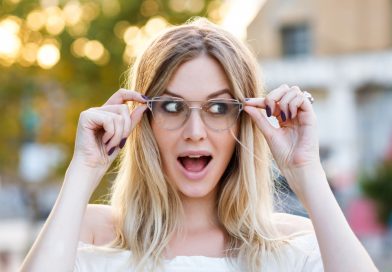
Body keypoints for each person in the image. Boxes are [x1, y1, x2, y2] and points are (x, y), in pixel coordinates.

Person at [20, 18, 378, 272]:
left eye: (219, 108)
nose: (195, 131)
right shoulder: (90, 232)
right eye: (172, 106)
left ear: (245, 119)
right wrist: (83, 169)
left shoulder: (294, 242)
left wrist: (306, 172)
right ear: (143, 119)